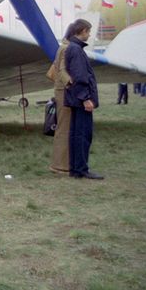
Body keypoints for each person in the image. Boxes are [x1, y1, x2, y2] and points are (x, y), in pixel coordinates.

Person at [64, 19, 104, 179]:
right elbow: (80, 77)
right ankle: (81, 169)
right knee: (83, 135)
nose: (89, 34)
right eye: (88, 31)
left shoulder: (72, 48)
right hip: (81, 100)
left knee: (75, 134)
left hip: (75, 99)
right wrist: (86, 98)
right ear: (81, 31)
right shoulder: (76, 50)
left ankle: (75, 169)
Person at [48, 37, 72, 173]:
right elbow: (62, 71)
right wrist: (72, 83)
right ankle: (60, 165)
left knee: (63, 128)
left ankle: (62, 163)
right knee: (64, 128)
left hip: (61, 91)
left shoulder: (62, 48)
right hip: (64, 92)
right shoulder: (66, 49)